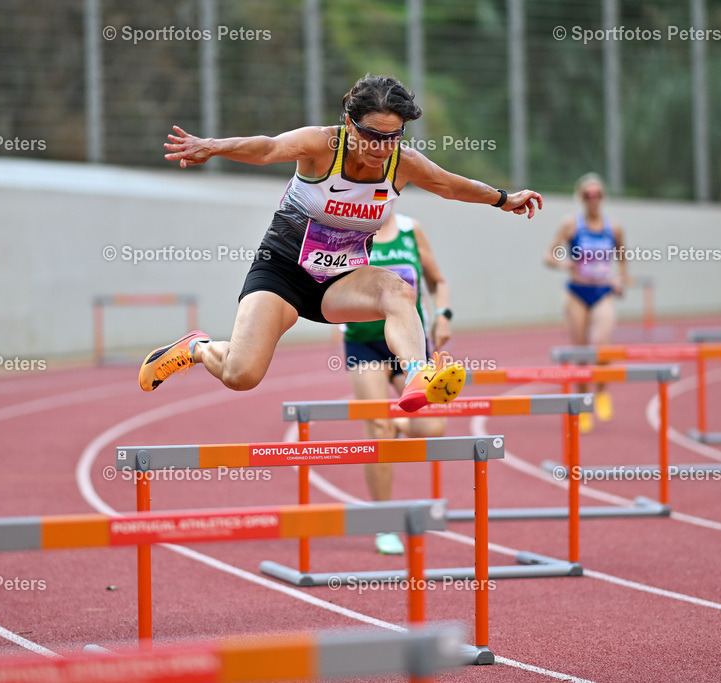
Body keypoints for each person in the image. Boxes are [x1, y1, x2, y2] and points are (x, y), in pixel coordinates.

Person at [139, 73, 543, 413]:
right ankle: (197, 348)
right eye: (372, 136)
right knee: (241, 375)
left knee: (398, 290)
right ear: (349, 124)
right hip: (282, 272)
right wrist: (213, 146)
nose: (382, 149)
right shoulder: (320, 145)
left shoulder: (401, 162)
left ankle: (418, 373)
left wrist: (504, 199)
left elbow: (451, 186)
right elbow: (268, 148)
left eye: (393, 138)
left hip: (341, 280)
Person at [343, 212, 450, 554]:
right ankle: (384, 522)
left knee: (433, 426)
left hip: (409, 346)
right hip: (365, 343)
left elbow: (437, 281)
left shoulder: (409, 229)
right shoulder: (347, 227)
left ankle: (397, 425)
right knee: (377, 428)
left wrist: (443, 315)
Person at [544, 173, 627, 433]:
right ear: (580, 197)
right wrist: (564, 264)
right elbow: (548, 255)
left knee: (601, 346)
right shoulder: (571, 225)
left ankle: (601, 391)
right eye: (587, 195)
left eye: (597, 194)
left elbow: (623, 258)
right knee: (580, 352)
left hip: (602, 291)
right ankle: (583, 402)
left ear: (603, 197)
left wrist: (620, 280)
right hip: (576, 293)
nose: (592, 199)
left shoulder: (613, 228)